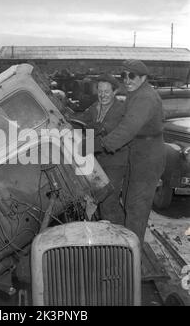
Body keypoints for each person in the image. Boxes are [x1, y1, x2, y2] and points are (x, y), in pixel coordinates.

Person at [95, 59, 165, 246]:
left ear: (143, 77)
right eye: (124, 76)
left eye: (132, 76)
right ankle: (127, 246)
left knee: (136, 207)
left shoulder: (145, 98)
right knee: (127, 200)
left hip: (148, 156)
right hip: (139, 153)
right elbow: (122, 120)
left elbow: (128, 127)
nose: (127, 80)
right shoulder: (135, 94)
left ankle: (132, 258)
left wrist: (101, 144)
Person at [69, 73, 128, 224]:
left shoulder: (120, 110)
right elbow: (82, 119)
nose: (102, 95)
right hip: (98, 161)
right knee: (99, 200)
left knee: (108, 202)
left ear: (115, 91)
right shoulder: (95, 107)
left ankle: (119, 238)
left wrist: (83, 146)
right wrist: (67, 120)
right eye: (100, 91)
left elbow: (106, 133)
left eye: (106, 91)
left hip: (115, 162)